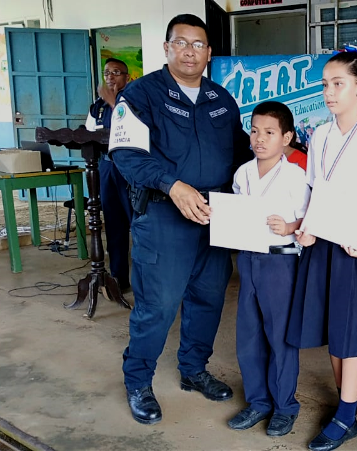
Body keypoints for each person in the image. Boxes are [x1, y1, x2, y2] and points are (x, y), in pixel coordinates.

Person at [108, 14, 252, 425]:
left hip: (215, 213)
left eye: (198, 44)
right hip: (164, 213)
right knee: (158, 305)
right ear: (167, 47)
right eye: (182, 43)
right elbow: (126, 155)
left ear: (209, 52)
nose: (190, 51)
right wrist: (173, 185)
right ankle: (138, 381)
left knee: (209, 298)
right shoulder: (141, 94)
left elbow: (242, 151)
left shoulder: (221, 99)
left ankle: (193, 369)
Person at [286, 49, 357, 451]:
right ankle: (344, 406)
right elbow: (315, 190)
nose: (329, 92)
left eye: (338, 84)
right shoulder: (319, 135)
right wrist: (307, 228)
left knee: (351, 330)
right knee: (332, 326)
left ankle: (347, 415)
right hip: (323, 237)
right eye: (325, 85)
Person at [227, 101, 310, 437]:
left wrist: (290, 226)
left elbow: (309, 219)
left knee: (280, 335)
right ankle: (258, 401)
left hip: (280, 262)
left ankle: (284, 406)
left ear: (286, 137)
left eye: (270, 132)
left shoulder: (296, 176)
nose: (260, 138)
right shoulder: (243, 173)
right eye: (255, 131)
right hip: (248, 259)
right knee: (249, 334)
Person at [85, 57, 133, 292]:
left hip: (130, 169)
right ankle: (119, 280)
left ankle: (146, 281)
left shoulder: (135, 99)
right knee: (114, 225)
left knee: (139, 223)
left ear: (127, 77)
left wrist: (115, 103)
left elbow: (135, 127)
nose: (110, 77)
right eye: (106, 73)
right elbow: (88, 133)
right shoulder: (98, 106)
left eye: (116, 72)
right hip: (106, 167)